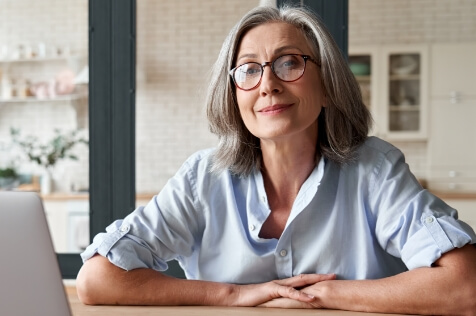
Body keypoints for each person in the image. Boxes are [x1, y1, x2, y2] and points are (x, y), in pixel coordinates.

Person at [77, 5, 476, 315]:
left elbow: (465, 287)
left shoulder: (375, 168)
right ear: (234, 96)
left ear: (327, 86)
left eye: (289, 63)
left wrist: (322, 294)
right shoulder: (203, 177)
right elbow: (98, 280)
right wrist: (235, 295)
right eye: (249, 70)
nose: (268, 84)